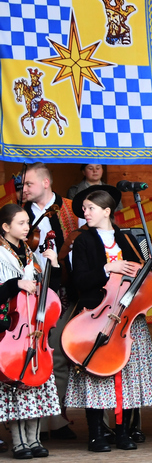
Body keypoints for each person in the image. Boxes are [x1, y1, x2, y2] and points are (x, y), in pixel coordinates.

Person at [65, 185, 152, 452]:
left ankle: (123, 431)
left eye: (90, 208)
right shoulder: (83, 241)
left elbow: (143, 282)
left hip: (127, 320)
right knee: (95, 373)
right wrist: (108, 267)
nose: (85, 213)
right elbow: (79, 282)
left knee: (128, 377)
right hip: (98, 316)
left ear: (107, 211)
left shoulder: (127, 239)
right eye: (85, 209)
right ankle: (96, 434)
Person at [21, 163, 80, 440]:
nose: (24, 189)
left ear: (46, 183)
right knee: (32, 352)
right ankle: (34, 423)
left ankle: (56, 418)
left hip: (65, 288)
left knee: (56, 354)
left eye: (28, 184)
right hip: (30, 291)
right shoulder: (19, 214)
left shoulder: (73, 207)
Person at [0, 203, 62, 458]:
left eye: (27, 222)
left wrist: (54, 264)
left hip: (33, 327)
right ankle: (18, 441)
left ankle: (34, 440)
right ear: (5, 227)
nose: (28, 228)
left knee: (35, 380)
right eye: (22, 223)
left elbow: (50, 290)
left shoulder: (29, 252)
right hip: (9, 327)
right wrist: (16, 283)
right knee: (13, 383)